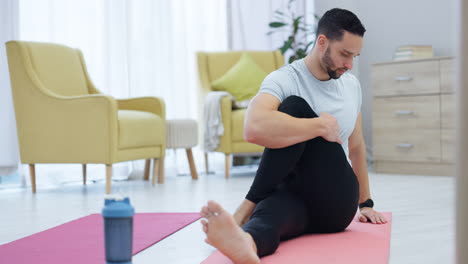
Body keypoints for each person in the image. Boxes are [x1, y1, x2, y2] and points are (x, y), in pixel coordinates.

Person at [200, 8, 388, 264]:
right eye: (345, 54)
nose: (349, 65)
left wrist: (366, 203)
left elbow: (356, 146)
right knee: (269, 214)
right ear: (322, 42)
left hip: (335, 200)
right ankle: (247, 243)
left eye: (354, 56)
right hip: (293, 197)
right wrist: (320, 126)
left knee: (294, 108)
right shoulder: (285, 79)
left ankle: (247, 205)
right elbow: (252, 128)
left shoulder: (351, 85)